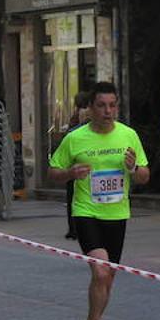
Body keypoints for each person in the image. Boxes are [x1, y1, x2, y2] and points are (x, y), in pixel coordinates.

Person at [48, 81, 149, 320]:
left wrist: (133, 168)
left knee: (107, 279)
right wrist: (70, 173)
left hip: (117, 215)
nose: (108, 111)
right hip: (86, 212)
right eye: (102, 105)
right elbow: (53, 171)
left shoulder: (128, 135)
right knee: (101, 272)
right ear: (90, 108)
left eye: (113, 105)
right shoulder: (75, 138)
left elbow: (144, 175)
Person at [64, 91, 91, 239]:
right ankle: (76, 228)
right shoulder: (82, 116)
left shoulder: (75, 117)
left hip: (74, 163)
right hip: (82, 162)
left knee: (72, 197)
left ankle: (73, 228)